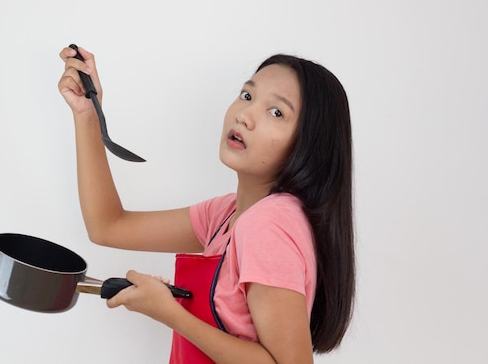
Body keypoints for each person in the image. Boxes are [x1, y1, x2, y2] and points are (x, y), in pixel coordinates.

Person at [57, 45, 355, 364]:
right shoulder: (228, 214)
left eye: (276, 112)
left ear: (309, 146)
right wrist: (88, 113)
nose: (245, 115)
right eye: (247, 95)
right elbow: (108, 226)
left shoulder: (267, 226)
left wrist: (170, 313)